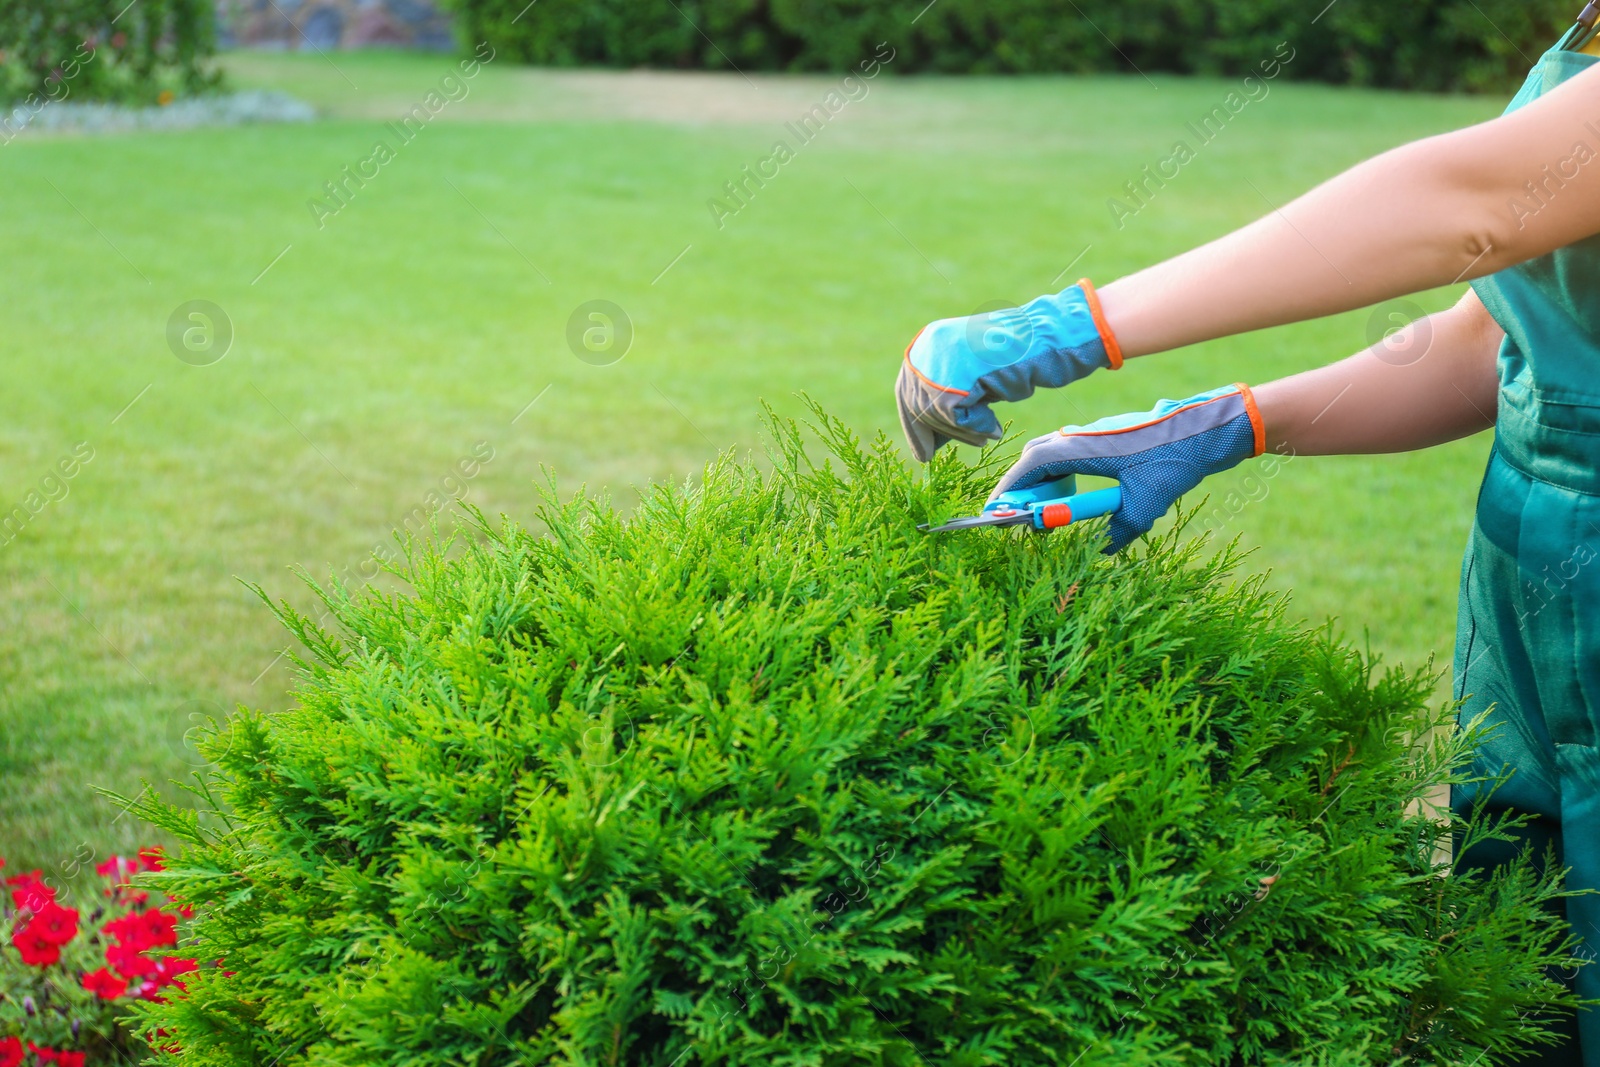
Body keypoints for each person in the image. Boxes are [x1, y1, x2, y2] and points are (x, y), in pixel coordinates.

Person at [897, 13, 1600, 1065]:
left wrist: (1075, 323)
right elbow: (1499, 338)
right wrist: (1228, 421)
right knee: (1527, 970)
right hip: (1522, 597)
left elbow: (1478, 207)